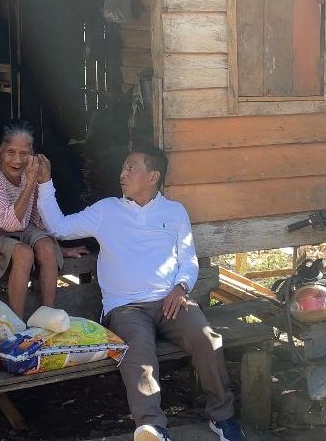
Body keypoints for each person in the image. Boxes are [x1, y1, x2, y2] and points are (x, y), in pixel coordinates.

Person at [36, 143, 246, 441]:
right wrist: (45, 182)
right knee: (138, 353)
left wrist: (181, 287)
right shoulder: (107, 210)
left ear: (153, 176)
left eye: (131, 168)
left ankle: (222, 418)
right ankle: (153, 428)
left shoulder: (174, 212)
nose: (122, 174)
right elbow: (59, 227)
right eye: (123, 167)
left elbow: (188, 260)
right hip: (126, 308)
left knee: (208, 339)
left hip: (171, 301)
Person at [0, 120, 87, 319]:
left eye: (24, 153)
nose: (17, 160)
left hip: (21, 228)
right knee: (23, 253)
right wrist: (31, 182)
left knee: (47, 248)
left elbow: (36, 217)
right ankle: (17, 324)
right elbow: (9, 223)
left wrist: (44, 181)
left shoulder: (31, 169)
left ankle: (48, 318)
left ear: (32, 152)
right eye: (10, 152)